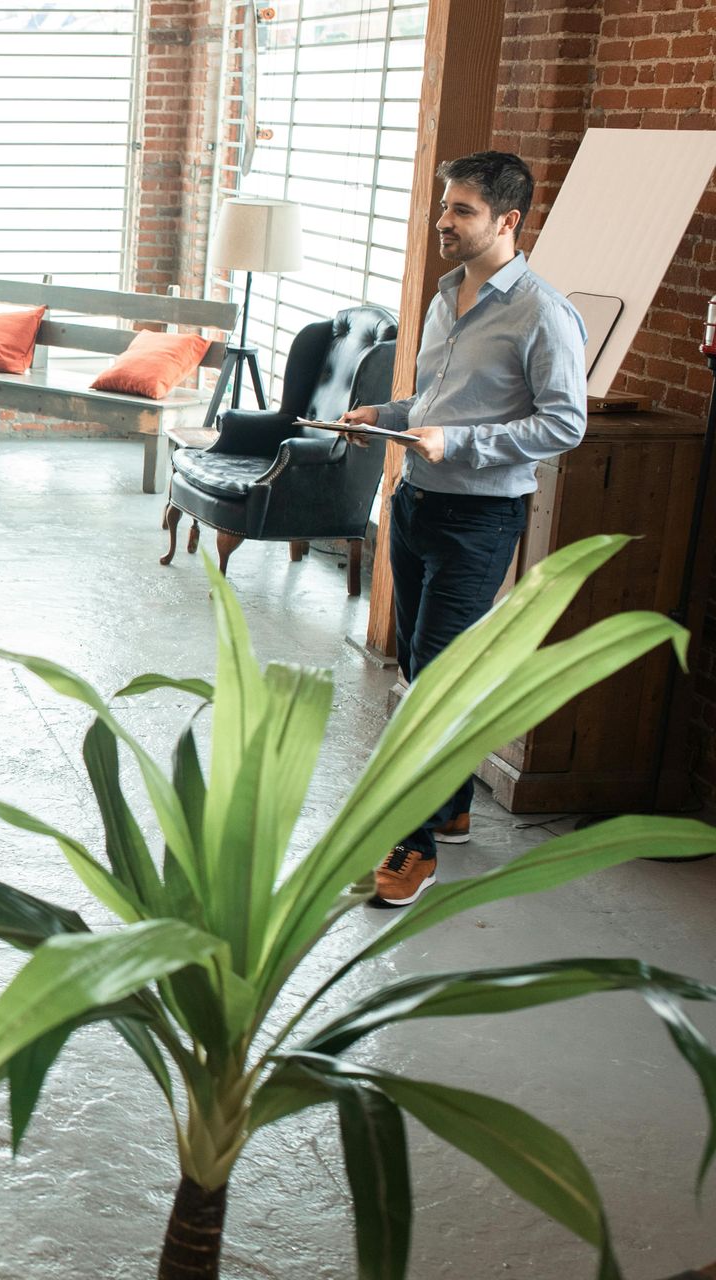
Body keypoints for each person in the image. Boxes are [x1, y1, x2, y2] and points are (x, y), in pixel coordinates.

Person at [339, 150, 587, 909]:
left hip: (479, 519)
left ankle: (411, 847)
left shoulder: (544, 311)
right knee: (419, 662)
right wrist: (386, 415)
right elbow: (444, 404)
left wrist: (463, 444)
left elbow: (564, 424)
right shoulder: (448, 297)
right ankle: (451, 807)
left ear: (509, 220)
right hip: (416, 503)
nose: (443, 221)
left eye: (463, 211)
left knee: (431, 686)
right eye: (445, 206)